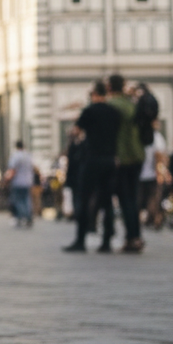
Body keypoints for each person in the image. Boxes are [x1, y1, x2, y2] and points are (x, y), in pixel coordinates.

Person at [65, 80, 121, 253]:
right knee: (107, 201)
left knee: (84, 198)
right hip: (110, 160)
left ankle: (81, 240)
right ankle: (106, 241)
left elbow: (76, 131)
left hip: (92, 159)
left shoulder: (89, 111)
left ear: (95, 94)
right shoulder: (114, 112)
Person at [108, 74, 145, 253]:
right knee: (133, 197)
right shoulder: (131, 103)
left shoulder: (112, 105)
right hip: (137, 155)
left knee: (125, 199)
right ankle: (136, 236)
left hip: (122, 157)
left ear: (109, 87)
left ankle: (132, 238)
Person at [140, 119, 166, 231]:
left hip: (140, 173)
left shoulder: (139, 134)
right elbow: (159, 156)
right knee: (154, 198)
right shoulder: (156, 137)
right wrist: (160, 172)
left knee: (141, 198)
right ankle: (153, 218)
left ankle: (148, 218)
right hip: (151, 173)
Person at [5, 141, 38, 227]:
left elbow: (12, 169)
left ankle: (22, 217)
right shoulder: (28, 155)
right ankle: (28, 216)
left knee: (18, 200)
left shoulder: (16, 155)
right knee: (27, 200)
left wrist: (7, 180)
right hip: (28, 181)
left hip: (18, 182)